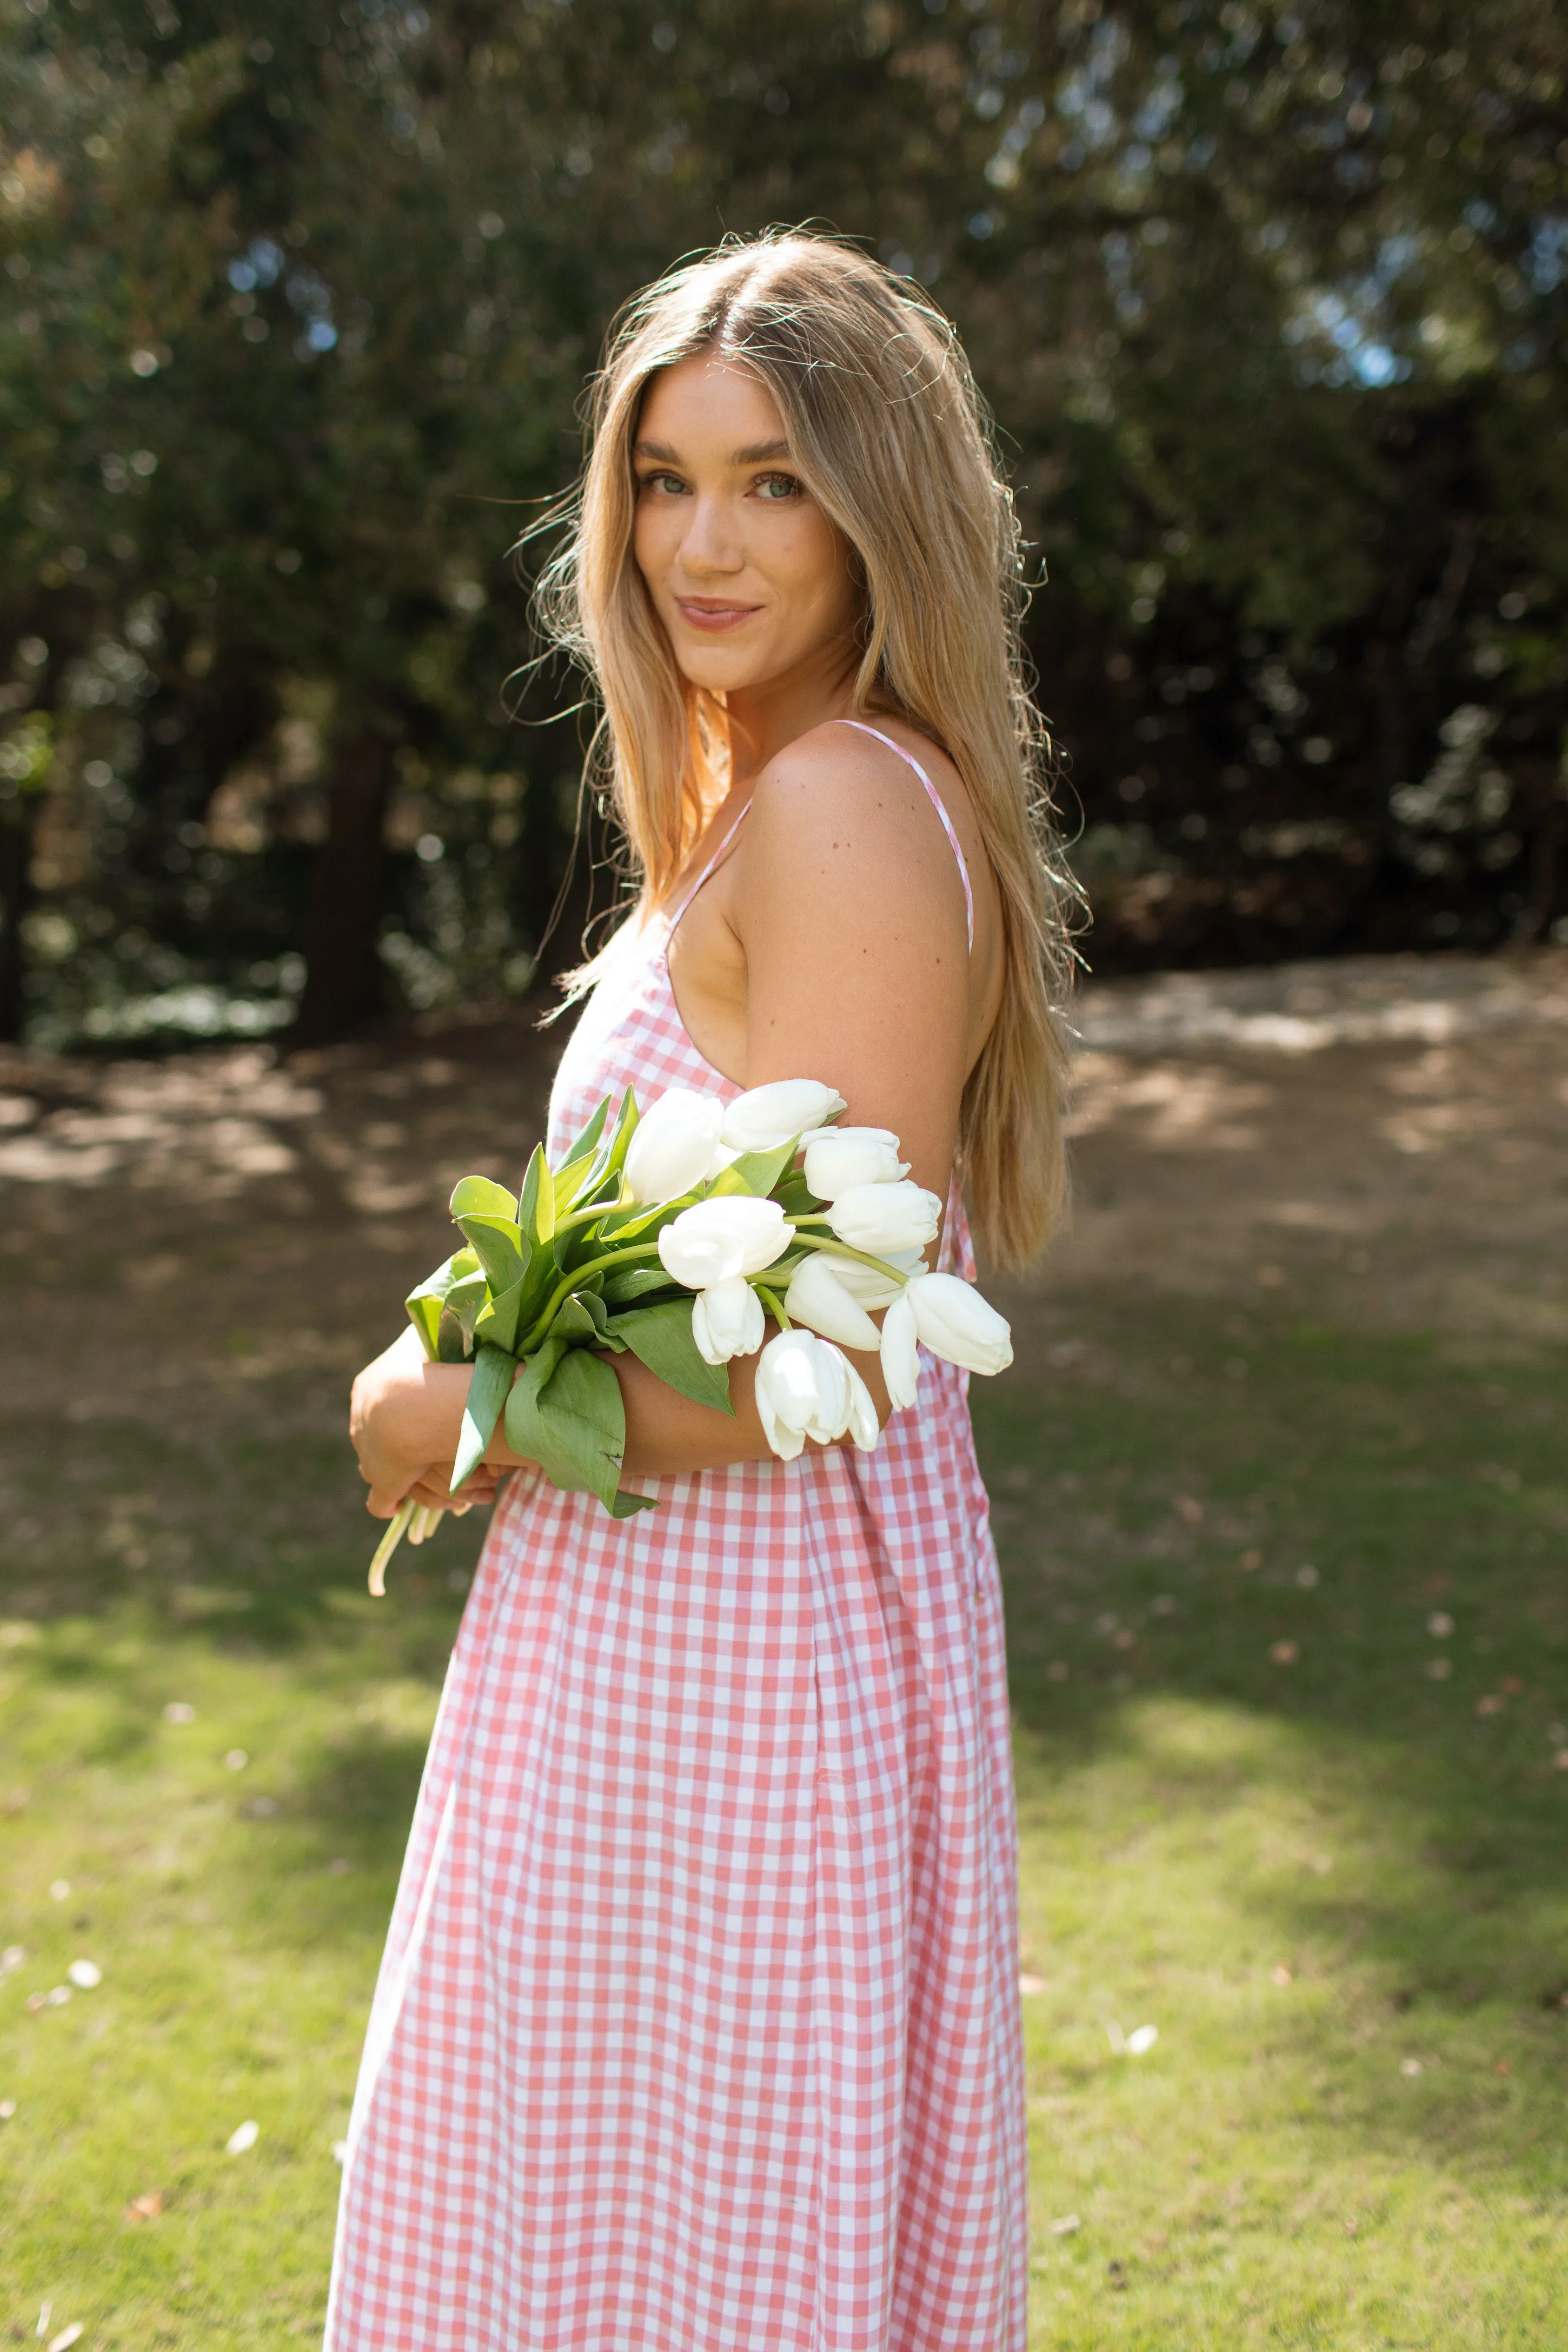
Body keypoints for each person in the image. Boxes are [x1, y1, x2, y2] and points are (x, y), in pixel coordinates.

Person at [328, 232, 1075, 2352]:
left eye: (771, 479)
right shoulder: (780, 788)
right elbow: (691, 1256)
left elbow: (823, 1353)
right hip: (676, 1640)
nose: (700, 540)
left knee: (664, 2266)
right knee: (612, 2236)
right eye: (663, 478)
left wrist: (453, 1418)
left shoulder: (837, 808)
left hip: (734, 1668)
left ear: (879, 506)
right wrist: (477, 1325)